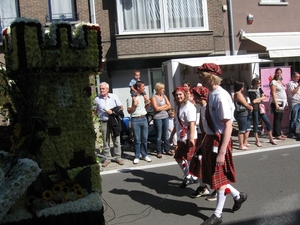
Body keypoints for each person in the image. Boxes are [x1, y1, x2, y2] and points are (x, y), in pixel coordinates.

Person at [197, 63, 247, 225]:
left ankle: (217, 215)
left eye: (202, 74)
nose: (200, 77)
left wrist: (221, 151)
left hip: (220, 141)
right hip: (212, 139)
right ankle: (238, 196)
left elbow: (228, 125)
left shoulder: (220, 96)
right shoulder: (211, 94)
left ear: (211, 76)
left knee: (219, 179)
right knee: (215, 177)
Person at [189, 86, 216, 200]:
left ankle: (219, 189)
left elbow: (209, 129)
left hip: (207, 139)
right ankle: (203, 187)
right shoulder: (202, 108)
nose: (193, 97)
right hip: (202, 137)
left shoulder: (207, 108)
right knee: (198, 163)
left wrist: (202, 144)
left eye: (194, 95)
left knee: (211, 166)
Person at [169, 86, 198, 188]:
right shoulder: (179, 106)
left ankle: (192, 177)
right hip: (181, 137)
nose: (178, 96)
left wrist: (191, 138)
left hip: (189, 137)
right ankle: (189, 175)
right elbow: (177, 124)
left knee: (188, 158)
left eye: (180, 94)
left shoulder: (189, 106)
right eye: (176, 95)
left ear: (185, 94)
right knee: (179, 157)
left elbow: (192, 123)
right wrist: (172, 135)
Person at [94, 82, 124, 167]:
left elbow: (121, 107)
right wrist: (97, 113)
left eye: (103, 89)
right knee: (105, 140)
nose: (101, 90)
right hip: (104, 121)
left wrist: (113, 111)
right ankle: (107, 158)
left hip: (114, 121)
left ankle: (118, 157)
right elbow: (94, 111)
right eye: (100, 89)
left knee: (116, 139)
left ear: (108, 89)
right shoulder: (97, 99)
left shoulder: (113, 96)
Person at [127, 81, 152, 164]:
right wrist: (134, 105)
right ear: (138, 88)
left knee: (145, 139)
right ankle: (137, 156)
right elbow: (129, 111)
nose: (144, 88)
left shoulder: (142, 97)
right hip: (135, 119)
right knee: (137, 139)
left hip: (144, 118)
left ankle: (144, 155)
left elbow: (144, 108)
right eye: (143, 86)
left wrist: (148, 104)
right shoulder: (130, 98)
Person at [248, 78, 277, 146]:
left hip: (261, 107)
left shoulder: (260, 89)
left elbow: (264, 97)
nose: (259, 84)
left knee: (267, 122)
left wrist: (260, 99)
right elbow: (253, 101)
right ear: (255, 83)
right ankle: (257, 140)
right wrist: (261, 98)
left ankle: (271, 139)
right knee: (255, 124)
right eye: (258, 83)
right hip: (255, 108)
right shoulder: (250, 91)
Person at [150, 82, 173, 158]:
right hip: (158, 118)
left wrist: (162, 107)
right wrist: (164, 106)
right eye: (162, 88)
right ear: (159, 89)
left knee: (166, 135)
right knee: (159, 135)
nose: (164, 90)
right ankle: (159, 151)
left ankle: (167, 149)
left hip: (165, 116)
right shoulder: (154, 97)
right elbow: (156, 108)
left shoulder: (164, 96)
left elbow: (169, 106)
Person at [233, 81, 253, 150]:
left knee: (248, 128)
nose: (244, 88)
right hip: (241, 114)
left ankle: (245, 142)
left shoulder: (240, 94)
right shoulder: (238, 94)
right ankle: (241, 145)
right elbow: (245, 104)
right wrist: (250, 107)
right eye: (243, 86)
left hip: (245, 113)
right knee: (242, 130)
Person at [270, 68, 288, 140]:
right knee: (277, 118)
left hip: (282, 103)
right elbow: (273, 93)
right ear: (275, 73)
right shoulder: (273, 82)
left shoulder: (279, 81)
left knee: (280, 118)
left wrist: (281, 82)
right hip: (277, 102)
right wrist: (276, 104)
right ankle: (277, 134)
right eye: (277, 73)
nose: (279, 74)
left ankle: (278, 132)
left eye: (280, 73)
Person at [286, 72, 300, 138]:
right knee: (293, 118)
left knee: (298, 119)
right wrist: (298, 86)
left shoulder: (297, 83)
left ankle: (297, 131)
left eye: (299, 77)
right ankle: (291, 132)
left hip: (299, 102)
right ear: (293, 77)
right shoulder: (290, 84)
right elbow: (293, 92)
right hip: (294, 102)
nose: (298, 78)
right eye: (297, 77)